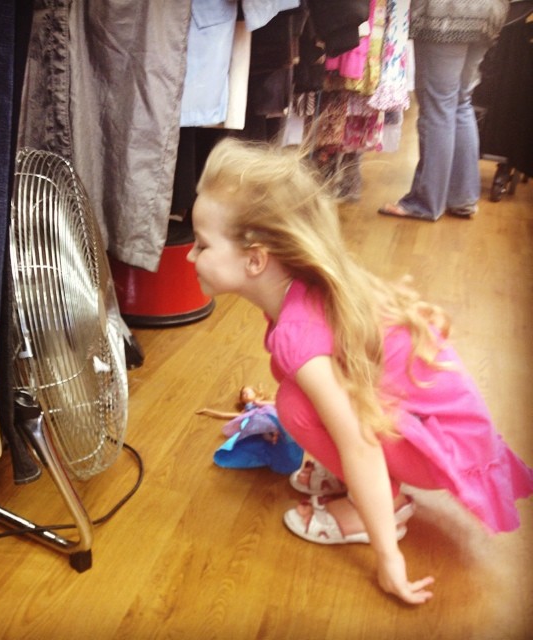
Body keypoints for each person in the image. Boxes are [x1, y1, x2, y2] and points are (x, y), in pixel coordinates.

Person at [186, 137, 533, 605]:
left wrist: (388, 558)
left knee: (295, 405)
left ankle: (381, 506)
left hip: (442, 450)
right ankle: (368, 487)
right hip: (444, 433)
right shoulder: (303, 289)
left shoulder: (297, 331)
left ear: (255, 259)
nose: (189, 256)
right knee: (300, 397)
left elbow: (359, 444)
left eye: (201, 244)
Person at [378, 0, 509, 220]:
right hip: (488, 12)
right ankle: (462, 199)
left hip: (445, 14)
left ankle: (424, 203)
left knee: (438, 106)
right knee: (460, 102)